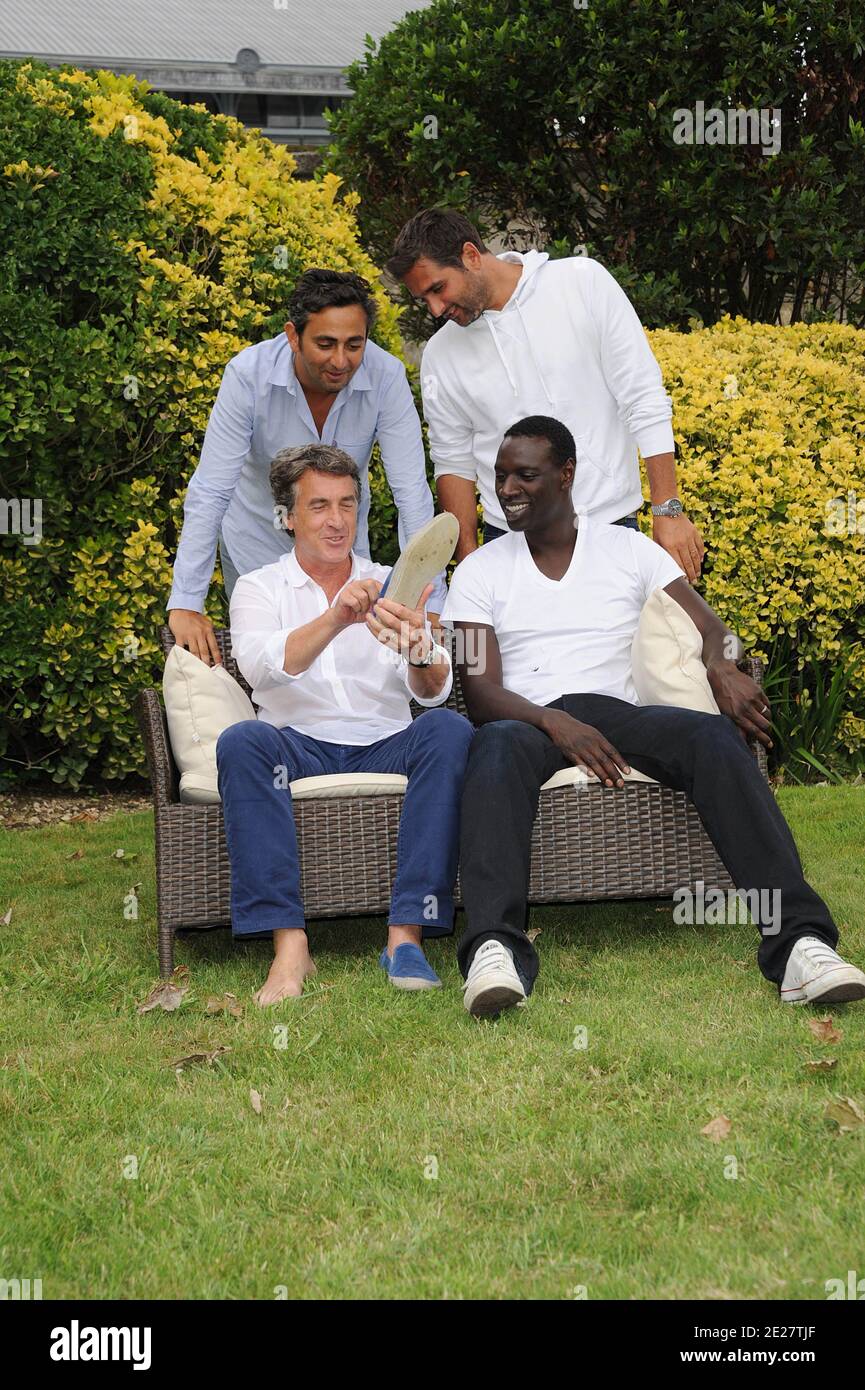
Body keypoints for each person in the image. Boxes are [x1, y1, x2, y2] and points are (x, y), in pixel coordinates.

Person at [440, 415, 865, 1018]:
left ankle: (800, 942)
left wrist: (721, 667)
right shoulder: (480, 570)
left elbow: (716, 631)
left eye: (525, 476)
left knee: (714, 739)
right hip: (528, 721)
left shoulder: (628, 549)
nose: (507, 489)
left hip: (621, 714)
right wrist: (555, 723)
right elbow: (480, 692)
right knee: (492, 746)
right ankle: (492, 949)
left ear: (566, 476)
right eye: (500, 476)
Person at [216, 443, 473, 1006]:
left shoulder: (394, 581)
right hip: (295, 746)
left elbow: (434, 694)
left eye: (347, 504)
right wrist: (338, 617)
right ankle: (290, 945)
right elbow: (264, 668)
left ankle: (404, 937)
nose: (336, 521)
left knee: (450, 732)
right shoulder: (259, 588)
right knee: (241, 741)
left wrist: (418, 650)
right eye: (318, 506)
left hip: (384, 742)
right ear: (287, 517)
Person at [387, 209, 704, 576]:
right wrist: (471, 561)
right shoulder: (440, 354)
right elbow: (453, 462)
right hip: (508, 544)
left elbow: (643, 397)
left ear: (471, 256)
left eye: (438, 289)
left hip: (610, 529)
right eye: (423, 299)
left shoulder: (583, 283)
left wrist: (668, 510)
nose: (436, 309)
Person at [168, 268, 447, 665]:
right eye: (325, 344)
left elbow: (410, 492)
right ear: (293, 336)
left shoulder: (386, 377)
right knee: (276, 665)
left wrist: (431, 597)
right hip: (256, 543)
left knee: (350, 664)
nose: (340, 360)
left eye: (354, 344)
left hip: (343, 547)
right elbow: (212, 490)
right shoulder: (248, 375)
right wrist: (186, 603)